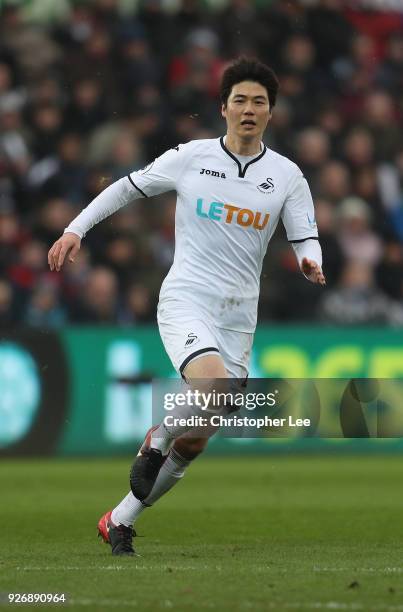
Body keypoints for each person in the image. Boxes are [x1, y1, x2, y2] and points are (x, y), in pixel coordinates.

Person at [48, 58, 326, 556]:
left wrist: (309, 260)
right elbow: (126, 188)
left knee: (198, 438)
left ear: (270, 113)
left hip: (240, 314)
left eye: (258, 102)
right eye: (239, 100)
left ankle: (120, 519)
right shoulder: (190, 157)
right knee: (213, 385)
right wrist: (76, 228)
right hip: (187, 298)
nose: (248, 109)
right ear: (222, 108)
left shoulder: (286, 176)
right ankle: (157, 436)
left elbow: (305, 234)